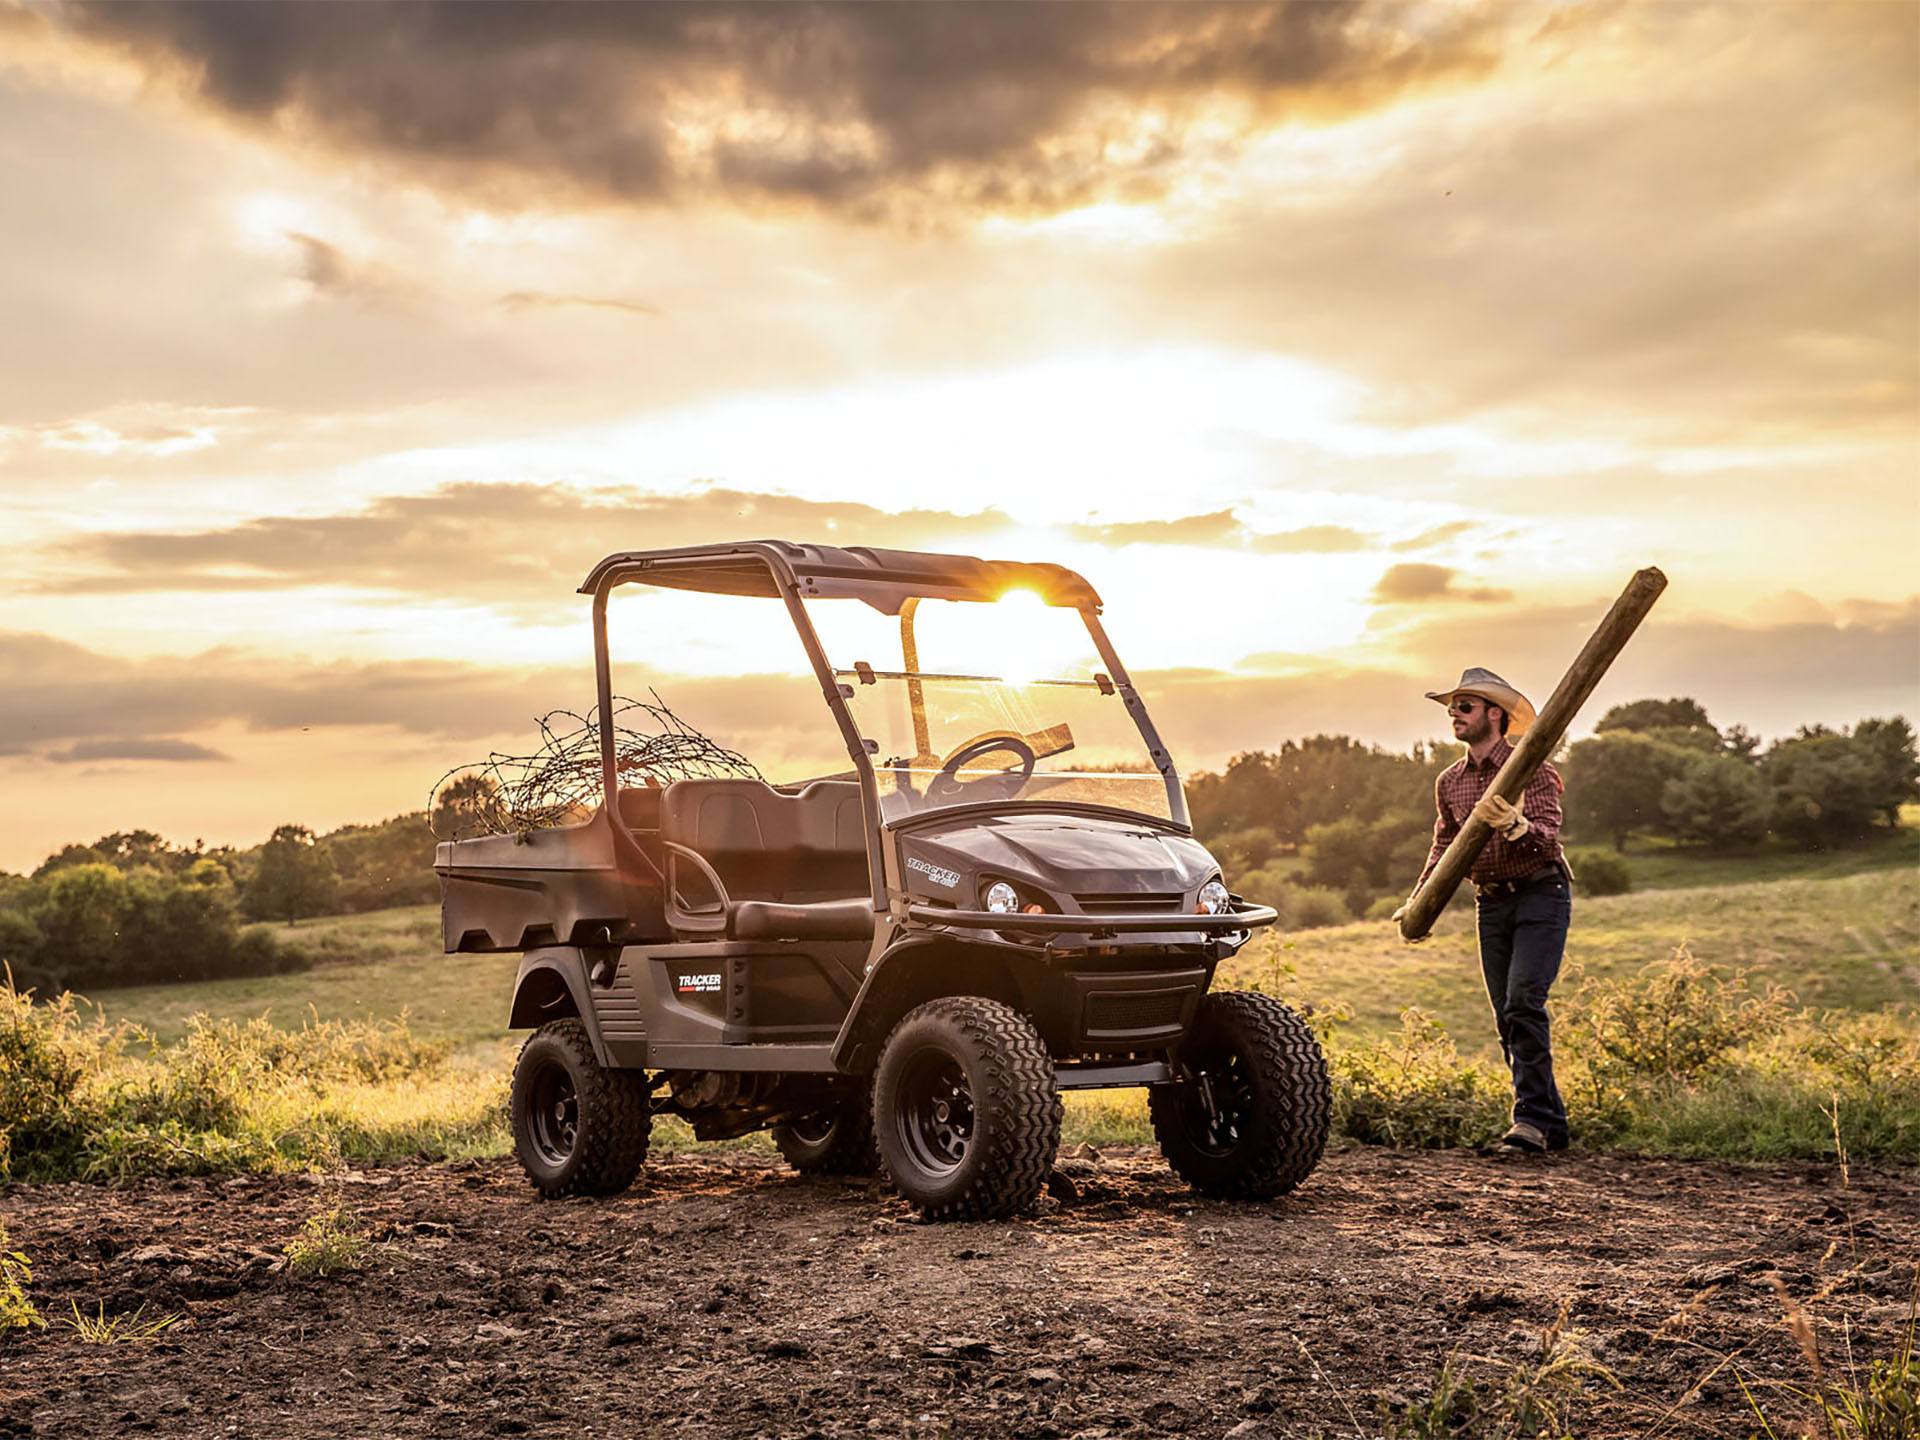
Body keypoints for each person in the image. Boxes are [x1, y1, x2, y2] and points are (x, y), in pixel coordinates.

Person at [1392, 667, 1572, 1153]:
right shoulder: (1450, 782)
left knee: (1522, 1003)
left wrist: (1516, 826)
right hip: (1490, 902)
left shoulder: (1532, 767)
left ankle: (1531, 1121)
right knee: (1505, 1017)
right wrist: (1419, 899)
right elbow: (1444, 844)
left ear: (1494, 714)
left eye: (1464, 706)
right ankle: (1548, 1121)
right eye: (1452, 707)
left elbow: (1549, 840)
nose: (1454, 713)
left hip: (1540, 893)